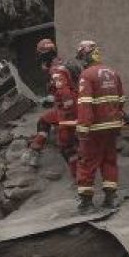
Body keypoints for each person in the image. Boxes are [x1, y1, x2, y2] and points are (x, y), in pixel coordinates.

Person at [73, 40, 125, 213]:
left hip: (95, 128)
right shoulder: (113, 72)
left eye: (81, 56)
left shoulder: (86, 75)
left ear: (86, 56)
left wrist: (83, 128)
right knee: (109, 160)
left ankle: (86, 203)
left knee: (87, 162)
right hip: (112, 126)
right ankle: (111, 198)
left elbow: (85, 103)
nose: (81, 61)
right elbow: (121, 100)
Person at [26, 38, 79, 178]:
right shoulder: (63, 64)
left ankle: (79, 179)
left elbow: (65, 93)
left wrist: (67, 117)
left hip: (68, 111)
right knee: (43, 120)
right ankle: (35, 150)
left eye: (41, 56)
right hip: (72, 106)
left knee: (66, 146)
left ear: (45, 56)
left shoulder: (56, 70)